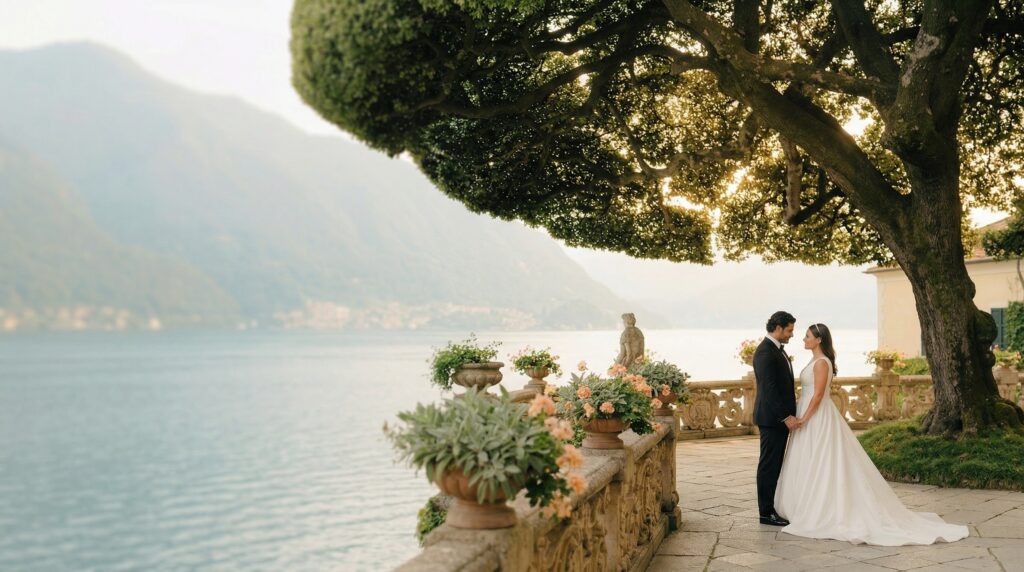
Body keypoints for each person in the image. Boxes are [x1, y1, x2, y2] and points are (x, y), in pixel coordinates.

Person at [774, 323, 969, 545]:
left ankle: (822, 507)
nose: (804, 339)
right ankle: (804, 503)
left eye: (808, 336)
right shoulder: (814, 360)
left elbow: (818, 395)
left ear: (819, 339)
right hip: (808, 411)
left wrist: (804, 419)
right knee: (808, 459)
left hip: (815, 415)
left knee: (822, 459)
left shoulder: (821, 363)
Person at [752, 311, 798, 526]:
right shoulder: (765, 352)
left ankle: (772, 508)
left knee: (775, 463)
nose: (791, 335)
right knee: (769, 465)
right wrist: (785, 416)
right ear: (778, 327)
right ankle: (766, 512)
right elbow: (769, 390)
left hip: (776, 420)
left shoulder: (777, 350)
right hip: (772, 420)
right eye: (789, 330)